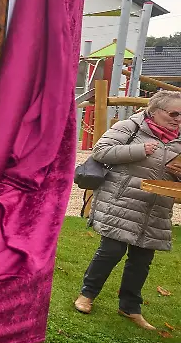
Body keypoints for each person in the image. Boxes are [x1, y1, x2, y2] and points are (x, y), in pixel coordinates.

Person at [74, 90, 181, 329]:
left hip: (156, 208)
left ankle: (130, 307)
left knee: (142, 259)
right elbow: (100, 151)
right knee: (111, 251)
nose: (178, 120)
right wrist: (140, 150)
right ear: (155, 111)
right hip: (122, 201)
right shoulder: (130, 127)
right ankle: (87, 295)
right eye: (174, 114)